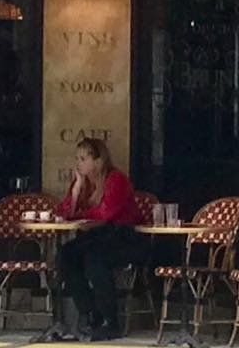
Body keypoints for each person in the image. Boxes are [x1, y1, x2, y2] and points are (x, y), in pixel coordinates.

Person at [57, 137, 145, 339]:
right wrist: (77, 189)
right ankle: (90, 314)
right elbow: (63, 212)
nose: (78, 163)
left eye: (82, 158)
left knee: (94, 259)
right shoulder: (84, 183)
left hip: (124, 237)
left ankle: (110, 321)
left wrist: (78, 216)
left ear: (98, 161)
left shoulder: (116, 180)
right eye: (76, 158)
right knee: (65, 254)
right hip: (96, 237)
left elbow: (105, 215)